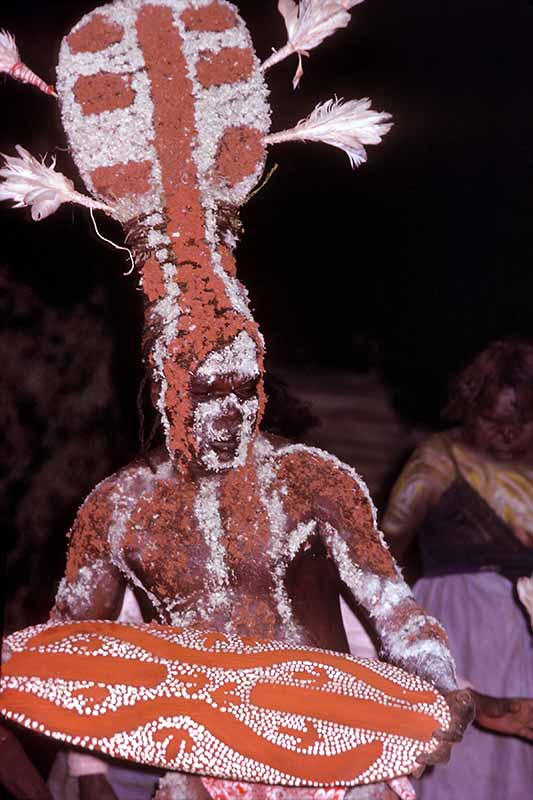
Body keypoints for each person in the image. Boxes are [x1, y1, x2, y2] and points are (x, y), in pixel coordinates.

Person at [0, 2, 472, 798]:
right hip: (200, 774)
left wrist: (438, 689)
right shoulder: (116, 508)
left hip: (329, 754)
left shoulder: (311, 477)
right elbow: (71, 651)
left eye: (243, 388)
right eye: (205, 391)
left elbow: (393, 607)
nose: (228, 409)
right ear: (164, 387)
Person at [382, 339, 533, 799]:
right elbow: (382, 554)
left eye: (524, 421)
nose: (508, 433)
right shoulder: (437, 459)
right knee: (462, 762)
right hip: (458, 625)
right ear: (470, 408)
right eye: (493, 420)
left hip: (526, 631)